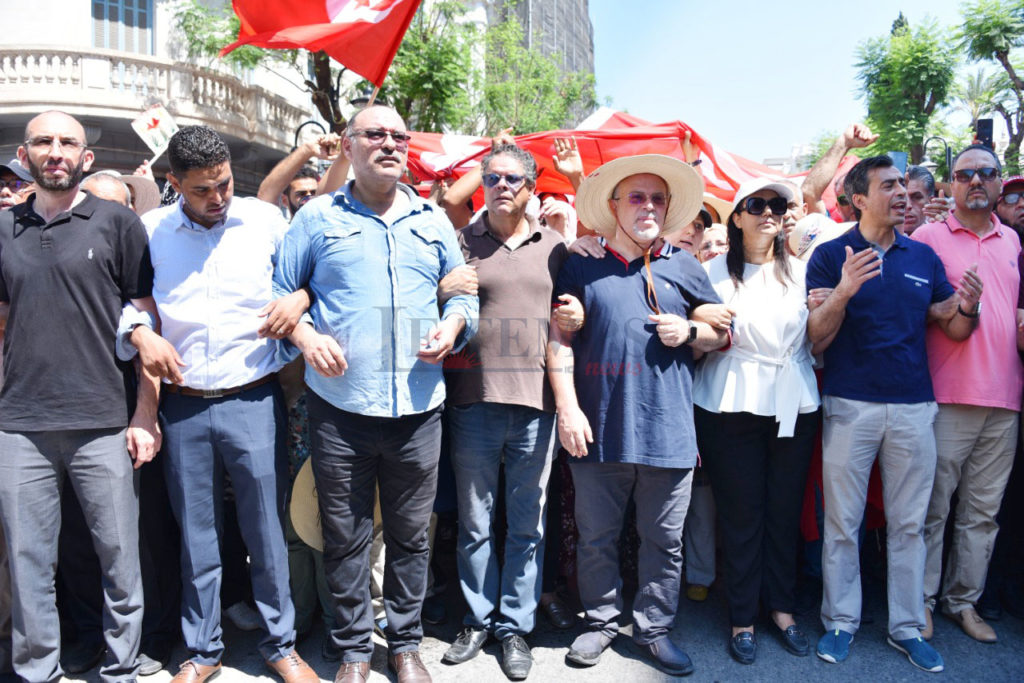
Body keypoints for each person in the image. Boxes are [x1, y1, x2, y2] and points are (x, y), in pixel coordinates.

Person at [272, 104, 478, 683]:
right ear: (347, 145)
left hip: (418, 407)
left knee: (412, 535)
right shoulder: (314, 218)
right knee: (345, 534)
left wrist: (456, 324)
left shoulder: (433, 221)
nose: (389, 143)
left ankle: (405, 645)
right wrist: (307, 338)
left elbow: (463, 296)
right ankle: (354, 652)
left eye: (398, 135)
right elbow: (282, 292)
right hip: (340, 407)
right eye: (375, 135)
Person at [129, 125, 317, 683]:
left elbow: (311, 276)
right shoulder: (150, 231)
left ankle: (280, 644)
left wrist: (299, 299)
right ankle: (202, 651)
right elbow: (133, 302)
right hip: (182, 406)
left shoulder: (265, 221)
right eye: (202, 190)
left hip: (253, 399)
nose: (218, 198)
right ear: (173, 183)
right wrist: (142, 333)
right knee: (197, 536)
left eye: (225, 184)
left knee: (266, 530)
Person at [547, 154, 728, 677]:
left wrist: (691, 331)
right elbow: (557, 338)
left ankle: (654, 629)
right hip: (597, 427)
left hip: (668, 430)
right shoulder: (579, 263)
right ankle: (601, 622)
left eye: (657, 198)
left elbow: (722, 331)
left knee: (663, 541)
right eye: (636, 197)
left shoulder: (686, 265)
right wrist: (567, 407)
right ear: (613, 206)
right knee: (596, 535)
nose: (647, 206)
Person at [807, 155, 983, 673]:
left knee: (909, 524)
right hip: (848, 405)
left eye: (904, 186)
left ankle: (906, 627)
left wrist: (967, 307)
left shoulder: (922, 257)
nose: (903, 194)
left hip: (913, 408)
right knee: (843, 523)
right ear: (859, 199)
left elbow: (953, 328)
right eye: (889, 186)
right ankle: (840, 622)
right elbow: (815, 338)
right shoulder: (830, 254)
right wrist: (843, 289)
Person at [0, 110, 158, 682]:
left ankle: (121, 670)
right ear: (26, 156)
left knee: (119, 560)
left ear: (86, 158)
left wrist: (145, 412)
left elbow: (145, 321)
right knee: (29, 563)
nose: (56, 150)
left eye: (68, 142)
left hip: (104, 420)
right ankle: (36, 671)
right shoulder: (4, 228)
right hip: (19, 423)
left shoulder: (117, 222)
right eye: (44, 142)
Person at [440, 144, 571, 680]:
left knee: (527, 526)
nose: (500, 186)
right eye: (491, 177)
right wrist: (444, 286)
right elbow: (437, 307)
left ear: (531, 188)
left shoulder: (556, 248)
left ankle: (514, 627)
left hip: (536, 406)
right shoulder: (459, 241)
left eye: (512, 178)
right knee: (473, 524)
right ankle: (477, 618)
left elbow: (568, 322)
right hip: (472, 403)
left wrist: (577, 314)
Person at [693, 178, 821, 665]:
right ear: (738, 216)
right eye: (757, 204)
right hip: (729, 402)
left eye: (778, 205)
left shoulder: (804, 271)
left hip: (794, 402)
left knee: (784, 510)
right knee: (742, 514)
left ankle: (782, 609)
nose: (769, 212)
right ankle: (743, 616)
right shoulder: (707, 273)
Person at [913, 144, 1022, 643]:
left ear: (1000, 182)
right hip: (947, 396)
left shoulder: (1014, 242)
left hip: (1006, 399)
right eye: (964, 174)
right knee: (933, 508)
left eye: (986, 173)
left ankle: (963, 602)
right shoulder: (927, 237)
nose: (976, 181)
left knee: (982, 514)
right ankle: (922, 602)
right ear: (949, 185)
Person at [903, 165, 938, 234]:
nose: (908, 205)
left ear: (931, 202)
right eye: (901, 197)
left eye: (916, 197)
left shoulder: (941, 234)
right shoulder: (879, 240)